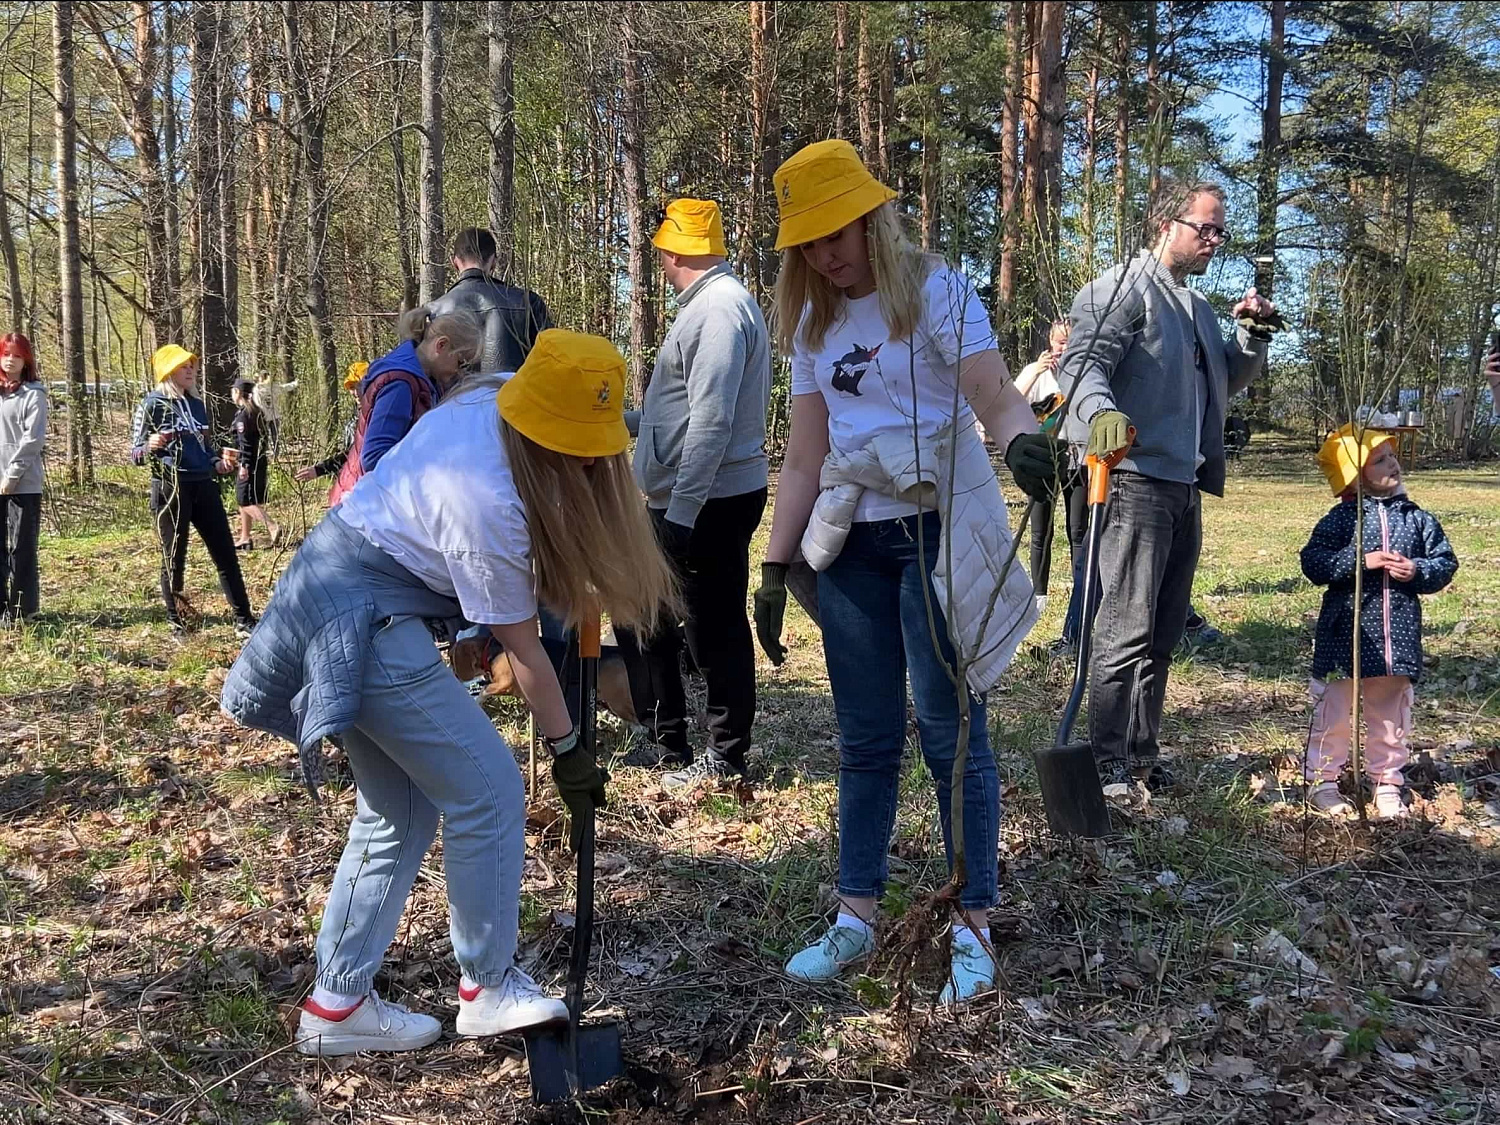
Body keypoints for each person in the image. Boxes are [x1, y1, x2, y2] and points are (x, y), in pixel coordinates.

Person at [220, 329, 677, 1056]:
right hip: (359, 616)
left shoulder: (491, 403)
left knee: (398, 809)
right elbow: (524, 650)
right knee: (488, 789)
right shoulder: (483, 493)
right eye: (577, 446)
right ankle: (487, 986)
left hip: (343, 590)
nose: (592, 462)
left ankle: (336, 1007)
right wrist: (568, 750)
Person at [751, 140, 1061, 1004]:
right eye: (809, 243)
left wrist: (1023, 443)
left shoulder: (934, 290)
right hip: (852, 542)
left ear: (871, 219)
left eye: (837, 233)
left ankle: (972, 920)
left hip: (936, 530)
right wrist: (773, 564)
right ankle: (856, 913)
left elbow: (994, 395)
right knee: (865, 736)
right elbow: (805, 456)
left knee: (953, 733)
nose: (826, 254)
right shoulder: (812, 324)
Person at [1056, 179, 1276, 791]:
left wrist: (1251, 335)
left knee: (1163, 634)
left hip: (1183, 484)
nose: (1214, 240)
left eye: (1220, 230)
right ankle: (1105, 762)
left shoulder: (1197, 307)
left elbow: (1225, 381)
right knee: (1125, 629)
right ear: (1165, 224)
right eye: (1204, 227)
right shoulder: (1121, 290)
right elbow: (1081, 368)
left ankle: (1140, 755)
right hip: (1132, 481)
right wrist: (1100, 413)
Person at [620, 198, 771, 786]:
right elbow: (679, 413)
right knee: (648, 614)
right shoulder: (707, 306)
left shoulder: (719, 310)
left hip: (708, 499)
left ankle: (725, 755)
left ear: (674, 251)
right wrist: (615, 423)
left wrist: (682, 514)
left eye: (660, 249)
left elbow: (712, 420)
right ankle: (668, 742)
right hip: (691, 495)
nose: (658, 259)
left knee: (714, 626)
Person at [1300, 425, 1457, 818]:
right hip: (1343, 637)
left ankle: (1386, 783)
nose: (1393, 464)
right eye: (1380, 460)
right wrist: (1359, 561)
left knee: (1389, 717)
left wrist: (1417, 570)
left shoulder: (1417, 519)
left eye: (1392, 456)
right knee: (1333, 713)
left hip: (1395, 639)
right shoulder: (1342, 521)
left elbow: (1444, 562)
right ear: (1355, 476)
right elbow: (1314, 563)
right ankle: (1322, 781)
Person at [130, 346, 256, 637]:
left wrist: (218, 463)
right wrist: (150, 445)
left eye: (191, 366)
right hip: (170, 488)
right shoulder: (151, 405)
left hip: (203, 485)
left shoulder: (197, 405)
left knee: (225, 552)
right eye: (182, 366)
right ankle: (178, 624)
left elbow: (205, 450)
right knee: (174, 559)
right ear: (167, 371)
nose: (190, 370)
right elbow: (134, 454)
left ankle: (244, 619)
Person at [328, 310, 482, 506]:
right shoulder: (400, 384)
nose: (459, 372)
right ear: (441, 345)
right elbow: (374, 458)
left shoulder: (426, 380)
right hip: (362, 504)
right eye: (461, 362)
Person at [1014, 319, 1082, 615]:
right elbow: (1010, 401)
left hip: (1077, 458)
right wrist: (1035, 372)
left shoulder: (1084, 371)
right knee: (1041, 530)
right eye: (1060, 342)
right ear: (1050, 343)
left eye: (1069, 342)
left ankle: (1081, 591)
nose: (1063, 348)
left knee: (1078, 530)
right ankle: (1039, 594)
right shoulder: (1036, 371)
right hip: (1044, 459)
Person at [424, 227, 552, 376]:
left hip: (458, 391)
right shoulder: (527, 302)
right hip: (513, 390)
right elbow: (550, 358)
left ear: (454, 262)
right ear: (493, 262)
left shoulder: (434, 311)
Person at [0, 332, 47, 623]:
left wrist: (12, 475)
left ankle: (23, 610)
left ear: (26, 360)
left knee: (22, 548)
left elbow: (33, 439)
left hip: (23, 484)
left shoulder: (34, 394)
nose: (10, 360)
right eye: (6, 354)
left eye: (17, 355)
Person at [231, 379, 282, 550]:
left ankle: (272, 526)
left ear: (238, 393)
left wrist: (244, 465)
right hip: (259, 462)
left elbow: (245, 444)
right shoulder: (257, 413)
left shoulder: (243, 417)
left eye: (233, 390)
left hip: (249, 464)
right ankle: (245, 537)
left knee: (245, 501)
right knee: (245, 499)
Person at [295, 362, 364, 485]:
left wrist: (319, 470)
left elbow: (355, 453)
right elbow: (349, 454)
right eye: (352, 387)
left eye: (360, 385)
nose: (355, 392)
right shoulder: (355, 415)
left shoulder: (376, 415)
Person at [251, 378, 298, 456]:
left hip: (270, 417)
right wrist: (295, 384)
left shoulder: (263, 389)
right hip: (266, 417)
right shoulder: (258, 389)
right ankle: (265, 454)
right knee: (267, 437)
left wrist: (295, 384)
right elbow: (285, 388)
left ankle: (270, 454)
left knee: (271, 437)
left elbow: (285, 387)